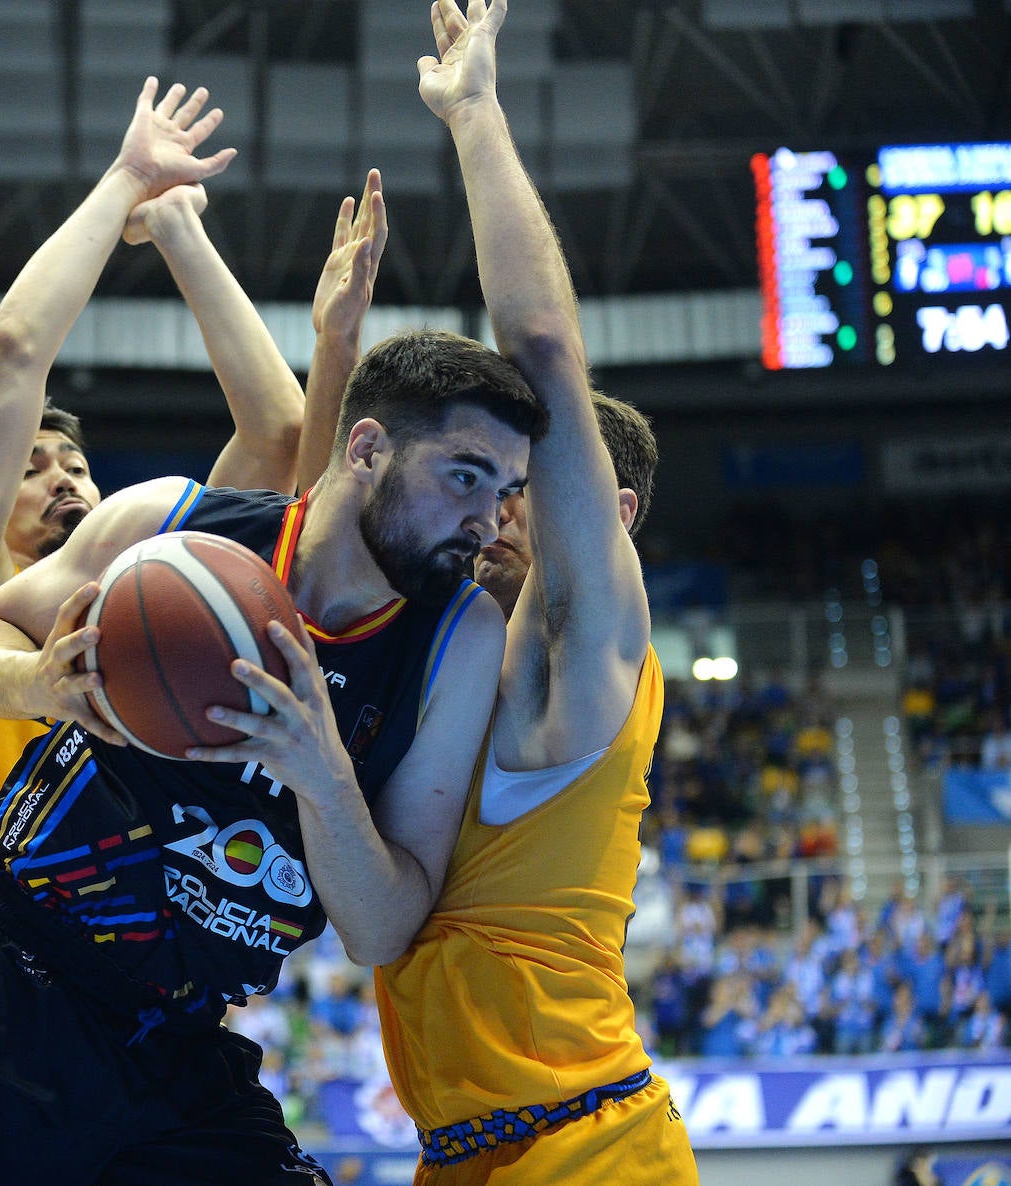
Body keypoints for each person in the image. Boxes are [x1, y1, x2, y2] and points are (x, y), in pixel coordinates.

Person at [0, 161, 545, 1186]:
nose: (488, 521)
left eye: (506, 490)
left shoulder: (457, 638)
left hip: (176, 1039)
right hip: (9, 986)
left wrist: (322, 770)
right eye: (468, 478)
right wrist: (39, 686)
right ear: (376, 451)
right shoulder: (174, 534)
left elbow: (383, 927)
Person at [0, 74, 309, 1028]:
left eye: (76, 463)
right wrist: (125, 184)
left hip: (125, 1037)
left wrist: (184, 236)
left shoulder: (155, 613)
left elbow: (279, 435)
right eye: (33, 467)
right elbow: (14, 355)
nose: (63, 475)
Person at [358, 2, 699, 1181]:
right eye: (487, 481)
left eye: (527, 485)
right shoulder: (452, 650)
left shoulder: (585, 645)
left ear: (607, 518)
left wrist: (474, 116)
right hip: (461, 1152)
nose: (500, 506)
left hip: (591, 1146)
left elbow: (545, 352)